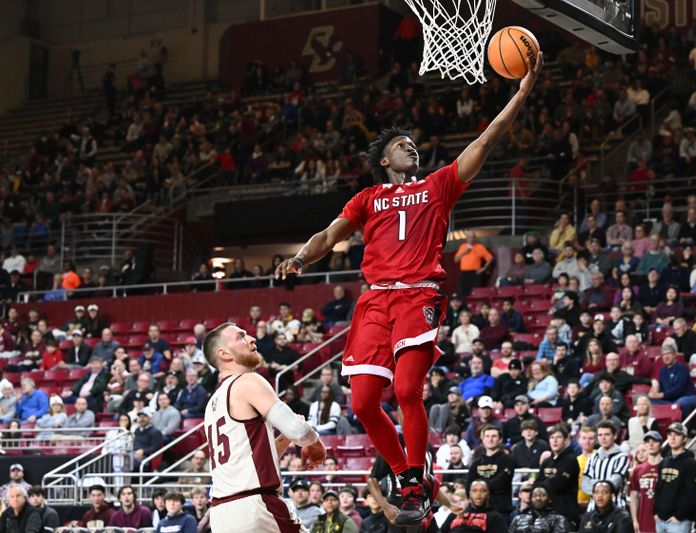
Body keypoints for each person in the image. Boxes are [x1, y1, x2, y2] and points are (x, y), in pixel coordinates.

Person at [275, 52, 543, 525]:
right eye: (403, 145)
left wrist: (519, 94)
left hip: (419, 292)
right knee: (360, 402)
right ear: (384, 159)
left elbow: (485, 140)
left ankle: (417, 476)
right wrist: (299, 257)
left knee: (406, 390)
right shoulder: (367, 198)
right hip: (375, 298)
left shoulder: (438, 186)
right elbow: (329, 235)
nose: (411, 148)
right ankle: (407, 476)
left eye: (413, 144)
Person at [202, 322, 325, 532]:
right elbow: (298, 430)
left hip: (223, 514)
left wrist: (285, 438)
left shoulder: (212, 404)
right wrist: (315, 444)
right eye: (241, 336)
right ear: (224, 354)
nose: (252, 339)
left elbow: (251, 461)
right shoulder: (247, 381)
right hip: (255, 507)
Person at [653, 423, 696, 533]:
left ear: (684, 439)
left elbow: (692, 494)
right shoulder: (663, 462)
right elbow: (659, 489)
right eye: (670, 434)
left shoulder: (691, 464)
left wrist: (679, 516)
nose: (672, 438)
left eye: (677, 435)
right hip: (661, 519)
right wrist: (656, 513)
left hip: (679, 521)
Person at [582, 421, 631, 510]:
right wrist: (601, 486)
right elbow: (584, 484)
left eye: (607, 435)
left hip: (616, 509)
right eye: (600, 435)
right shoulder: (593, 457)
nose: (603, 438)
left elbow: (614, 483)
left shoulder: (622, 457)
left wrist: (594, 483)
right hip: (593, 509)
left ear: (615, 436)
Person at [541, 424, 580, 528]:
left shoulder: (571, 460)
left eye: (558, 437)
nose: (555, 441)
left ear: (566, 440)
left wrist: (543, 484)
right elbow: (537, 484)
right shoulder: (546, 462)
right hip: (546, 512)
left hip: (565, 513)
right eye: (552, 437)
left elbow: (558, 484)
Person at [649, 344, 696, 418]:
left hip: (685, 396)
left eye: (668, 354)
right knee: (650, 402)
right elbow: (662, 389)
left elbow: (679, 390)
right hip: (670, 399)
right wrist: (654, 392)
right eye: (664, 354)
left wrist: (661, 395)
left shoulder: (682, 368)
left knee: (681, 402)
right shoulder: (662, 370)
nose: (666, 356)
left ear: (674, 355)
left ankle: (685, 426)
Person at [440, 480, 507, 532]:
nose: (478, 494)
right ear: (469, 493)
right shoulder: (456, 513)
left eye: (483, 491)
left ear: (488, 494)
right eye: (474, 490)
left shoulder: (495, 518)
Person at [630, 431, 663, 533]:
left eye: (654, 441)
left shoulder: (667, 466)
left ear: (661, 444)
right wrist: (635, 520)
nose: (651, 444)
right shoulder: (638, 469)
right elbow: (633, 496)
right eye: (648, 441)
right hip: (643, 519)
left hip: (663, 521)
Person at [455, 231, 495, 298]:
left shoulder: (480, 247)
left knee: (476, 293)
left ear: (475, 238)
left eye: (473, 237)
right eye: (469, 237)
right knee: (462, 293)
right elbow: (456, 259)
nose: (471, 239)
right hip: (464, 274)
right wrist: (465, 251)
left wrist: (483, 268)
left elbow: (490, 258)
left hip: (475, 274)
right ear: (466, 238)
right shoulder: (462, 247)